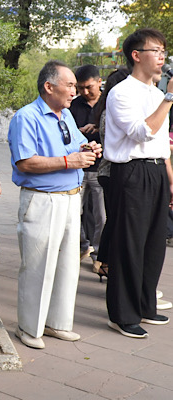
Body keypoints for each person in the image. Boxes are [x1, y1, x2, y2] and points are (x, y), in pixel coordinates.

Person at [8, 60, 102, 349]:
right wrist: (68, 161)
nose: (75, 90)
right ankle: (29, 327)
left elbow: (73, 147)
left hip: (71, 199)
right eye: (70, 84)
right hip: (42, 201)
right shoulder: (27, 117)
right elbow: (25, 162)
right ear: (49, 86)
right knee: (38, 266)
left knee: (67, 266)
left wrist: (86, 148)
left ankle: (57, 323)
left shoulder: (66, 116)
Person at [104, 28, 173, 338]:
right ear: (136, 55)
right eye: (156, 50)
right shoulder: (122, 92)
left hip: (157, 171)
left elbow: (162, 144)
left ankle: (145, 305)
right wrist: (170, 99)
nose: (162, 56)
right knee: (129, 245)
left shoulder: (156, 94)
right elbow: (141, 132)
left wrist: (170, 179)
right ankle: (122, 314)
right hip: (131, 172)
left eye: (163, 51)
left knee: (155, 243)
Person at [92, 67, 130, 282]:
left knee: (114, 220)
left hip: (110, 172)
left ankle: (105, 263)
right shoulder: (112, 111)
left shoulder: (105, 110)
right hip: (112, 172)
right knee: (116, 221)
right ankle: (106, 263)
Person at [70, 65, 105, 273]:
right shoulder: (73, 106)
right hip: (78, 168)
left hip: (101, 168)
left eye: (88, 87)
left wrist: (100, 129)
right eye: (80, 88)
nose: (84, 92)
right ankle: (82, 246)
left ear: (99, 82)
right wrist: (79, 132)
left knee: (102, 215)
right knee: (74, 212)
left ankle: (99, 256)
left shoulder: (109, 103)